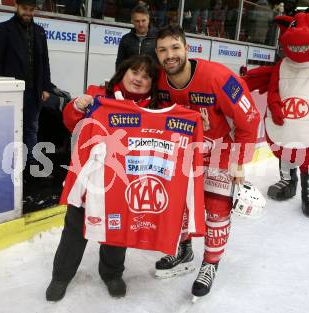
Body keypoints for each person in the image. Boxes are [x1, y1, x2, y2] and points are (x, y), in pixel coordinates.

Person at [153, 25, 260, 298]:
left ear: (187, 49)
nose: (170, 55)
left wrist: (239, 160)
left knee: (215, 212)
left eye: (175, 48)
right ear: (157, 54)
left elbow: (249, 118)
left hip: (219, 153)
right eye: (163, 50)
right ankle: (184, 250)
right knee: (178, 208)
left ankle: (210, 263)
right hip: (181, 154)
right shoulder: (159, 80)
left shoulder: (218, 77)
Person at [46, 55, 159, 302]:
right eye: (135, 72)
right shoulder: (98, 95)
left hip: (123, 183)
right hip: (90, 179)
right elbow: (69, 122)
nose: (139, 79)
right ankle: (61, 276)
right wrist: (77, 105)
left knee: (117, 232)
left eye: (146, 76)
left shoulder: (154, 109)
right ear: (123, 72)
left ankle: (112, 274)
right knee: (75, 230)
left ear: (152, 83)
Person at [0, 0, 52, 170]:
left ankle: (31, 161)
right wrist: (1, 89)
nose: (28, 13)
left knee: (31, 127)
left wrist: (46, 87)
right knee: (10, 127)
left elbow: (44, 62)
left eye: (32, 10)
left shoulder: (39, 32)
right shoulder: (3, 30)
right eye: (25, 9)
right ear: (16, 6)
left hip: (34, 90)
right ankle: (9, 162)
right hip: (11, 90)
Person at [115, 4, 158, 70]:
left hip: (153, 78)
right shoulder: (125, 39)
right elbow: (119, 64)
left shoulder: (158, 37)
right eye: (137, 21)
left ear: (148, 19)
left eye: (143, 20)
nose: (140, 24)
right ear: (132, 21)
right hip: (132, 79)